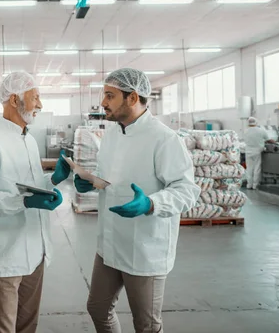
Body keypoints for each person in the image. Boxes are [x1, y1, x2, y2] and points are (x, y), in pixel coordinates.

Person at [74, 68, 200, 333]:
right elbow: (113, 180)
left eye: (109, 95)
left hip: (144, 248)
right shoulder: (111, 135)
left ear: (132, 98)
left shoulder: (164, 139)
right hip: (109, 242)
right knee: (98, 308)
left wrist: (151, 204)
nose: (103, 102)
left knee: (146, 324)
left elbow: (187, 190)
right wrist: (91, 181)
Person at [0, 71, 72, 333]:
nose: (40, 104)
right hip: (5, 256)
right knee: (3, 328)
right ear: (14, 99)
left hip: (36, 253)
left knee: (28, 326)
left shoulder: (28, 138)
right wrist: (24, 203)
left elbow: (28, 183)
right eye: (35, 97)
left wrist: (52, 180)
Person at [244, 117, 276, 190]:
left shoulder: (246, 131)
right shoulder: (261, 130)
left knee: (249, 168)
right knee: (257, 168)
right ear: (256, 122)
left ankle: (249, 185)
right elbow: (268, 140)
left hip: (248, 151)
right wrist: (275, 142)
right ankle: (255, 185)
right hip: (257, 151)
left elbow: (250, 140)